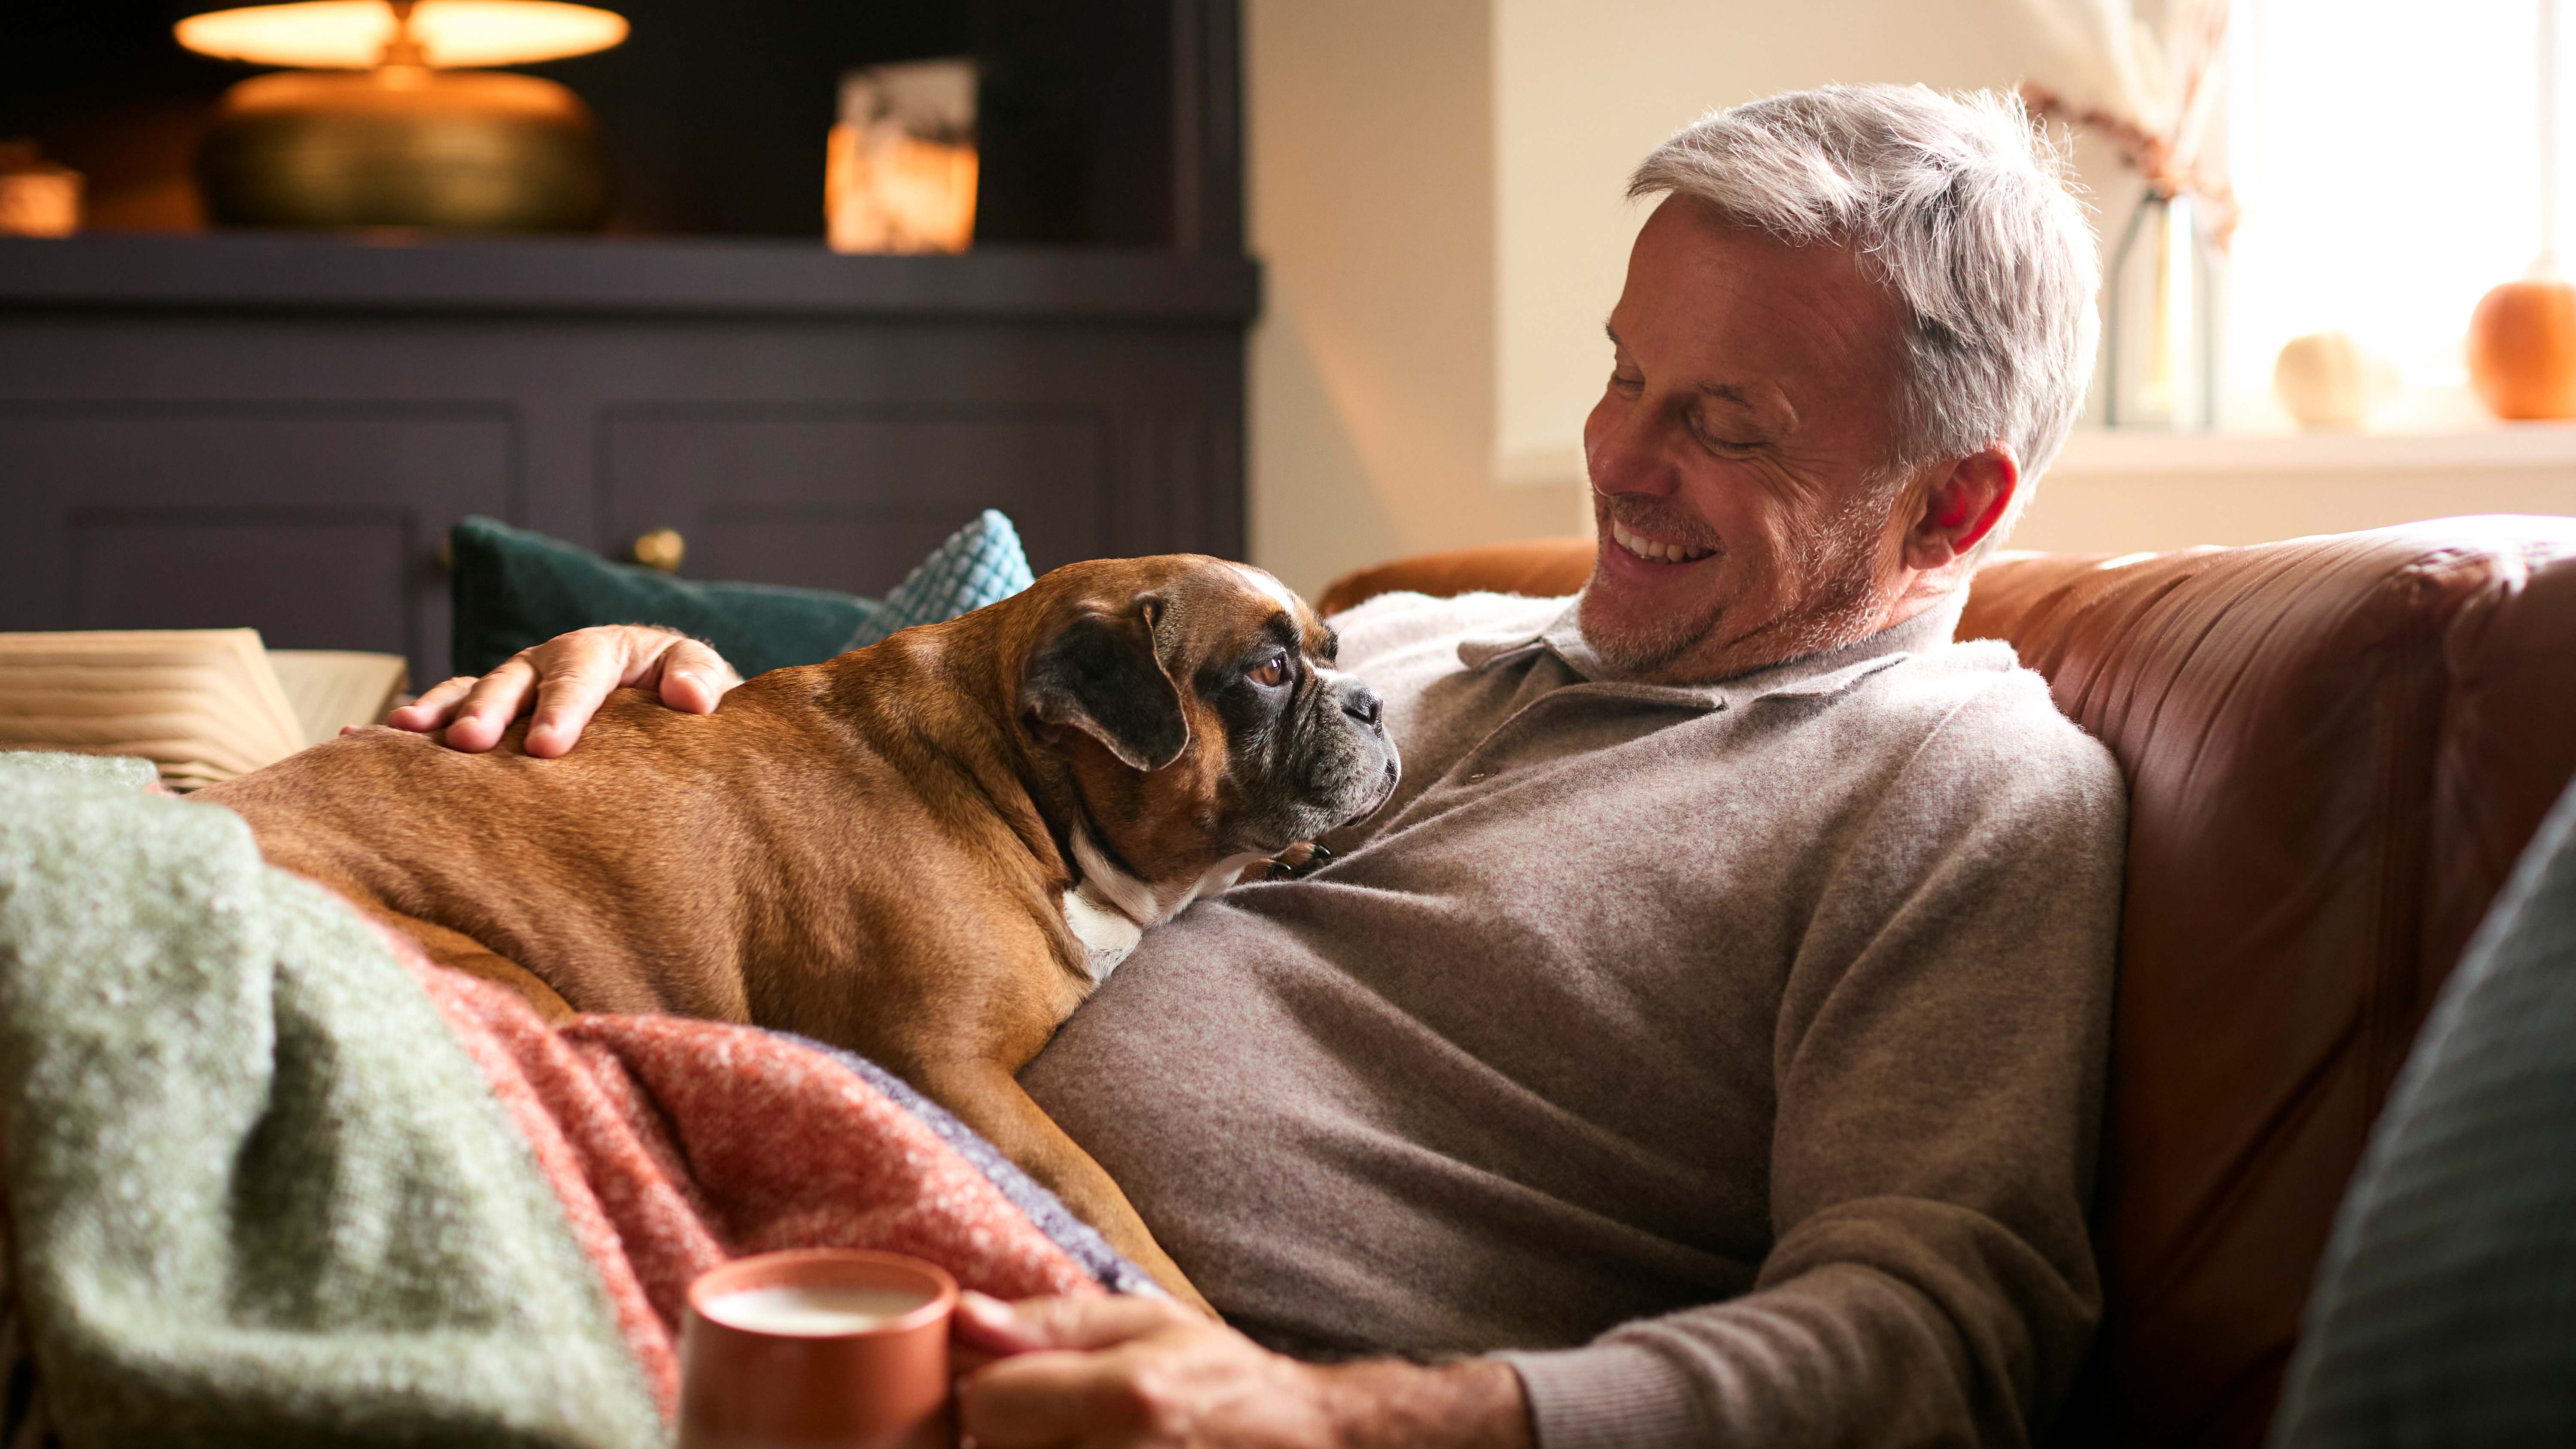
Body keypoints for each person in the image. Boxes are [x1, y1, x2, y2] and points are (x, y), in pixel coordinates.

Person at [391, 84, 2123, 1448]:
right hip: (716, 1180)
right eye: (1622, 372)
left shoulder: (1959, 789)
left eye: (1723, 424)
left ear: (1956, 504)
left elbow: (1940, 1340)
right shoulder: (1407, 637)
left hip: (1061, 1358)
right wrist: (661, 682)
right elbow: (966, 732)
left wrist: (1338, 1419)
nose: (1617, 458)